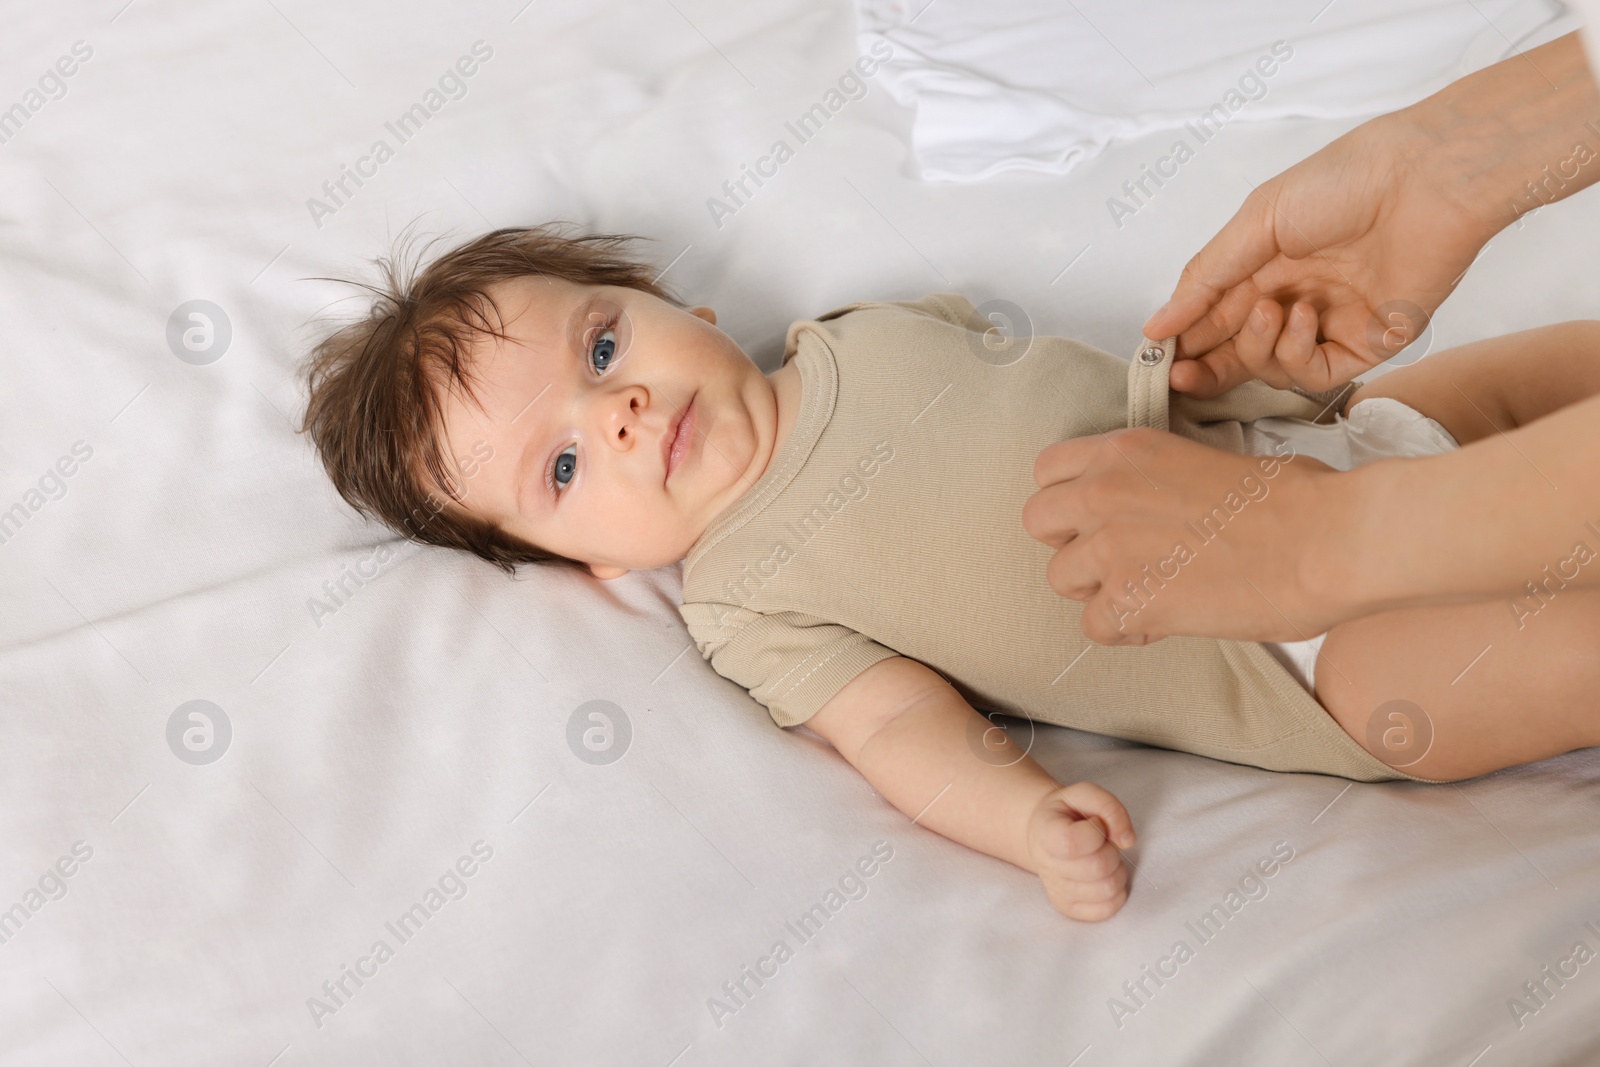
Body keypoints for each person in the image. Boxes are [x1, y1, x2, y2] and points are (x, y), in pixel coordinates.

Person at [1023, 28, 1600, 647]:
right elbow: (901, 716)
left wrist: (1316, 542)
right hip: (1349, 523)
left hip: (1332, 558)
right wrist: (1436, 169)